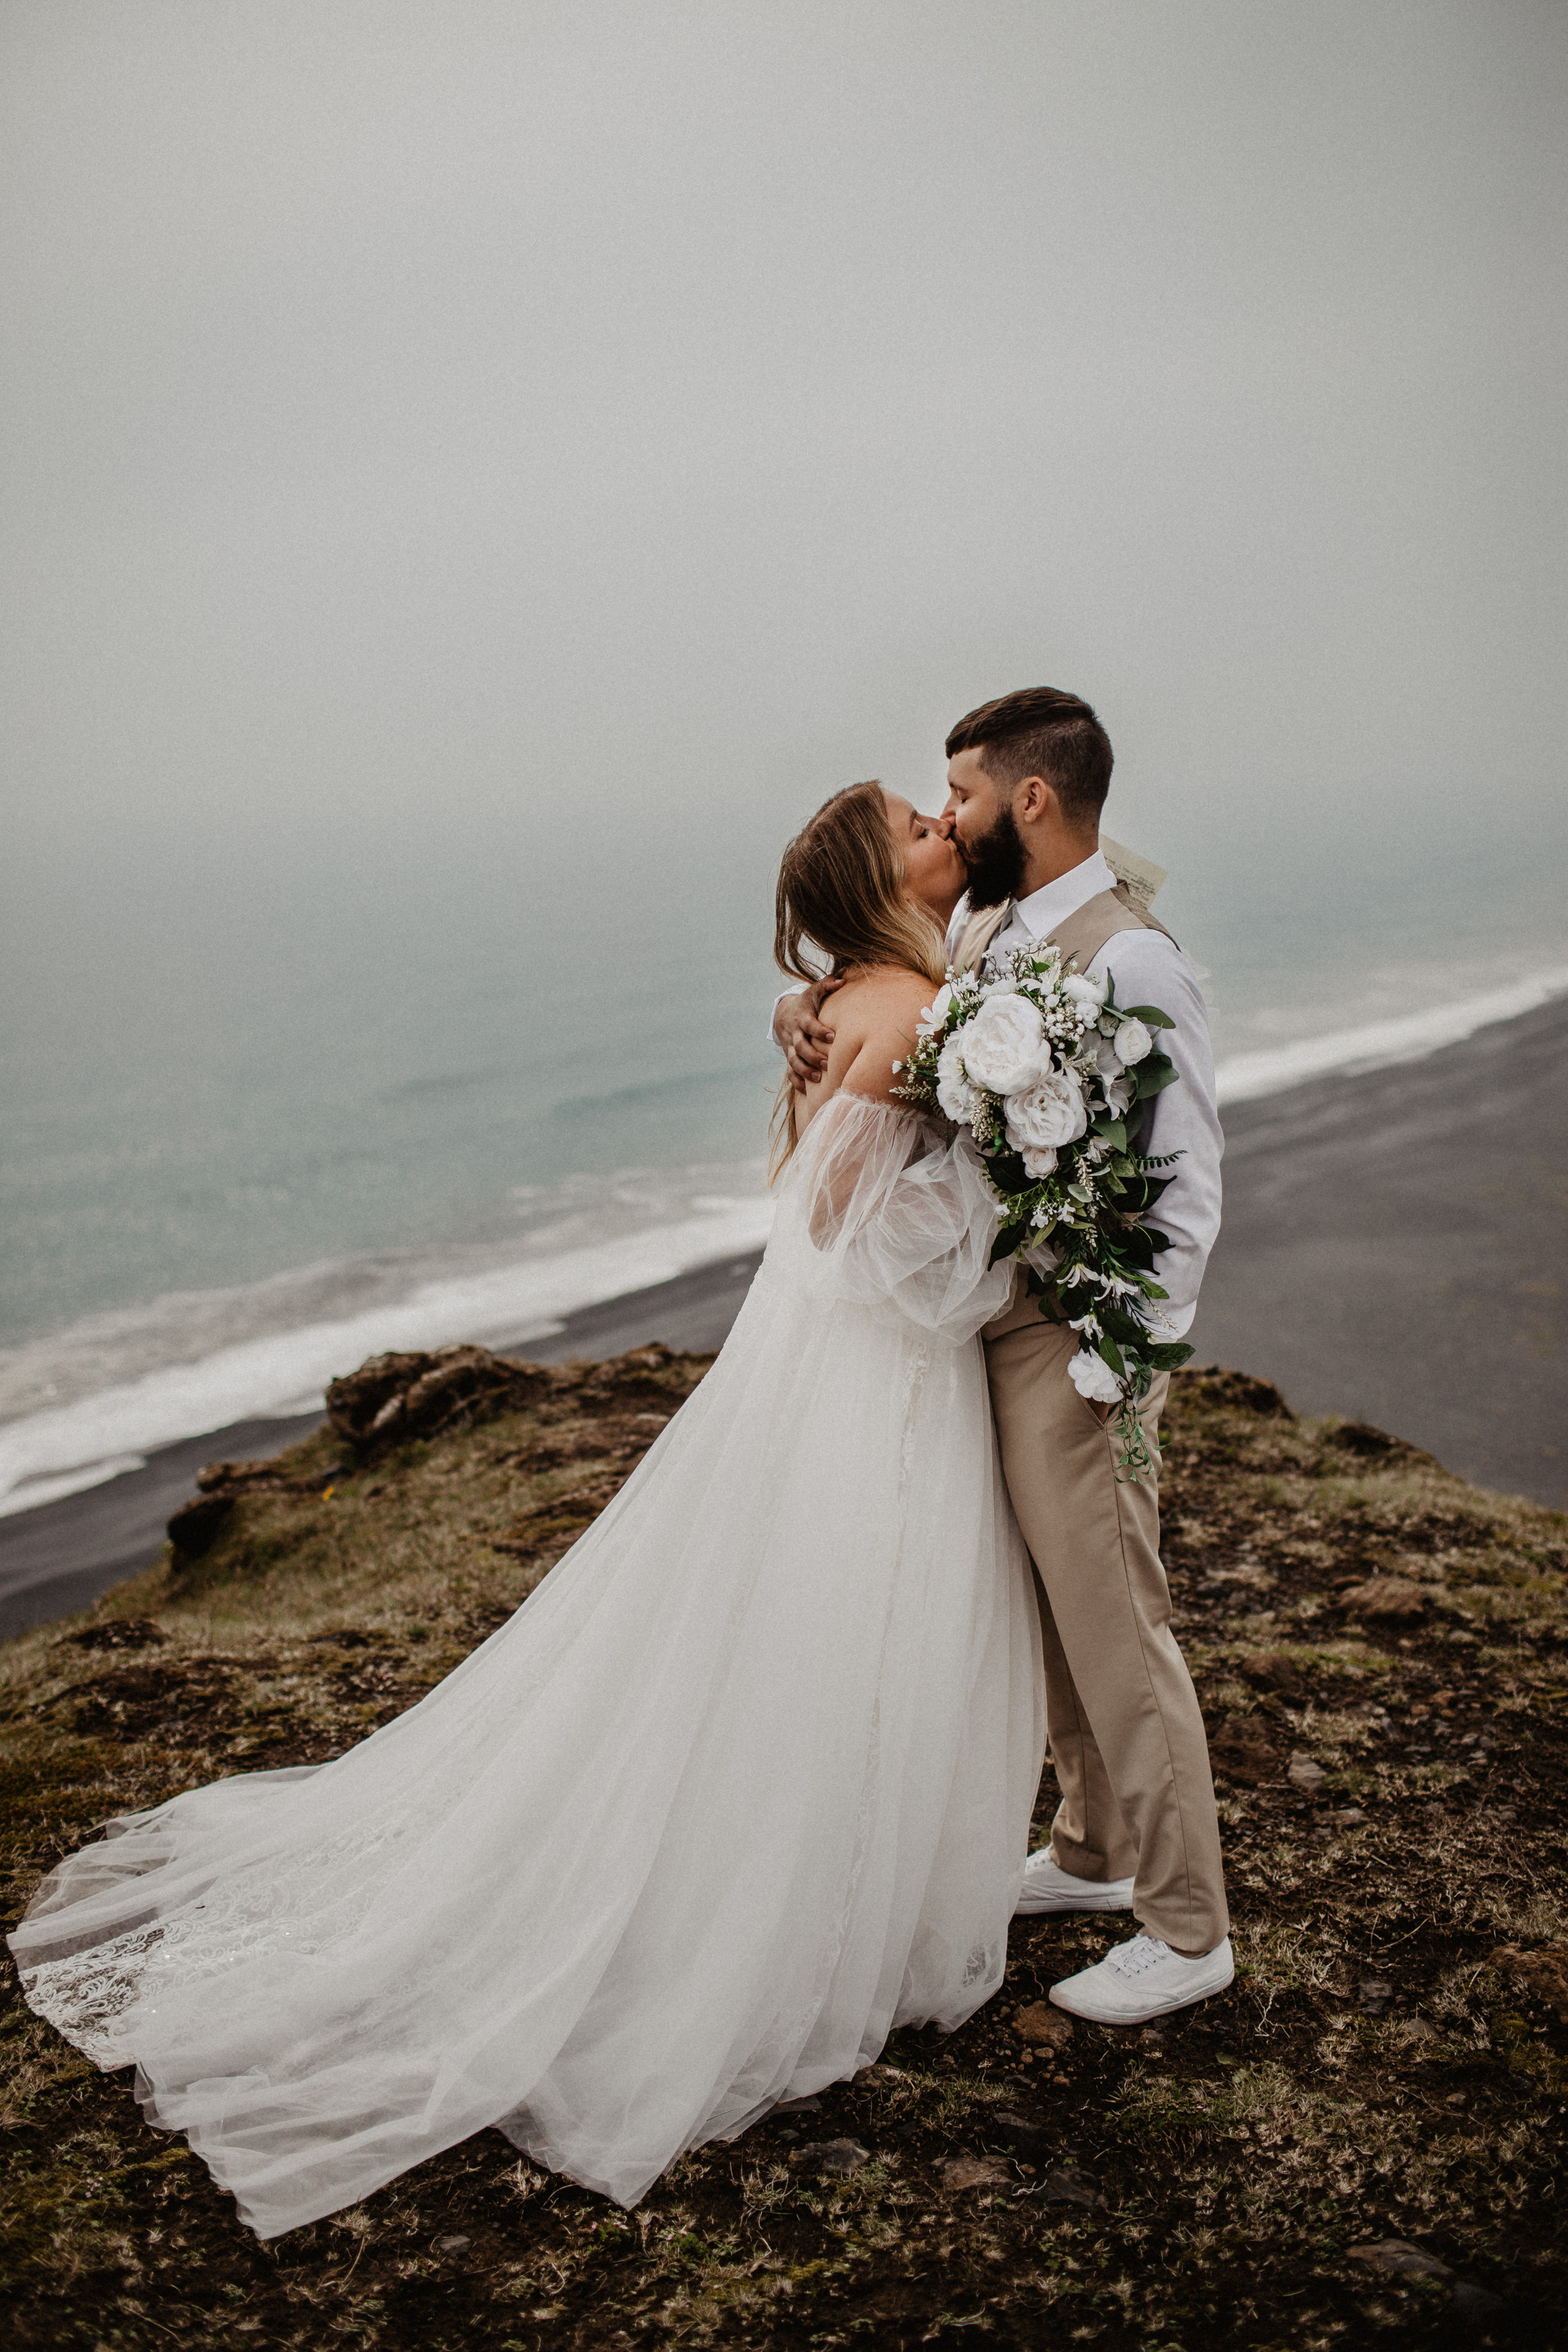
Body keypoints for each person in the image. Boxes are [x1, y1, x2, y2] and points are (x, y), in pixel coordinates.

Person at [9, 783, 1044, 2240]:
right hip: (867, 1365)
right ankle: (775, 1918)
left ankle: (841, 1884)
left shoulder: (891, 988)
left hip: (855, 1361)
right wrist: (1007, 1207)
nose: (943, 827)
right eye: (914, 824)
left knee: (833, 1615)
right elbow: (833, 1225)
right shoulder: (897, 1009)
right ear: (885, 877)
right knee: (841, 1613)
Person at [774, 688, 1232, 2024]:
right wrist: (793, 1021)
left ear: (1027, 800)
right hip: (988, 1321)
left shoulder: (1130, 960)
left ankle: (1188, 1925)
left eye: (959, 794)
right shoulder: (983, 925)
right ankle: (1092, 1852)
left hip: (1071, 1338)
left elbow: (1184, 1184)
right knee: (1053, 1611)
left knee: (1117, 1622)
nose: (948, 815)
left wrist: (1121, 1358)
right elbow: (892, 1028)